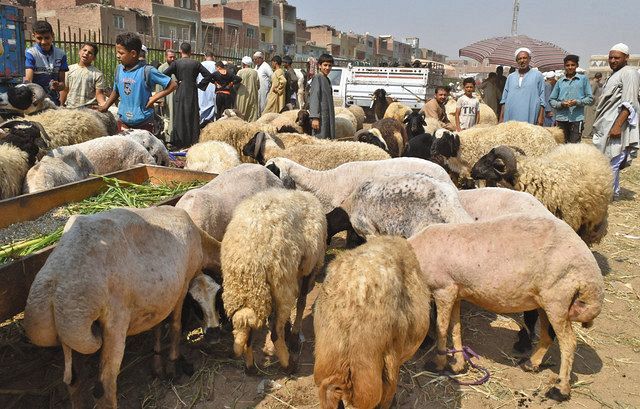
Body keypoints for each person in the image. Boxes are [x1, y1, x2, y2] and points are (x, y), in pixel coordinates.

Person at [98, 33, 177, 133]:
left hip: (144, 124)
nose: (117, 56)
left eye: (121, 53)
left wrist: (154, 98)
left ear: (133, 53)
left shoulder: (147, 71)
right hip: (123, 122)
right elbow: (116, 90)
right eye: (117, 52)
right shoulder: (119, 70)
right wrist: (105, 106)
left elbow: (173, 85)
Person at [592, 43, 639, 200]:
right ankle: (611, 191)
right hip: (606, 123)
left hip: (615, 124)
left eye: (616, 57)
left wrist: (618, 125)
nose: (612, 60)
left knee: (612, 160)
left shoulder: (629, 73)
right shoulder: (614, 74)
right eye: (610, 57)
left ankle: (610, 194)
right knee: (605, 160)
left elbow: (629, 102)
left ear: (627, 58)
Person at [163, 42, 210, 148]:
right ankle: (192, 141)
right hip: (192, 90)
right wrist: (200, 85)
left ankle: (179, 142)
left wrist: (172, 83)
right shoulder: (196, 63)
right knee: (192, 115)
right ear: (191, 52)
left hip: (181, 90)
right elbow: (208, 75)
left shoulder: (176, 63)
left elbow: (163, 74)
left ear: (180, 51)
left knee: (180, 115)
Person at [549, 55, 594, 143]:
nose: (570, 67)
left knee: (574, 145)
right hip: (561, 119)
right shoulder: (560, 81)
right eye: (567, 65)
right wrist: (561, 104)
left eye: (572, 65)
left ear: (577, 65)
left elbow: (590, 98)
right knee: (561, 145)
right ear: (564, 66)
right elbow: (552, 100)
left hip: (576, 119)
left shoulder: (583, 80)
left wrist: (577, 102)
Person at [24, 20, 68, 106]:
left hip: (53, 101)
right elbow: (28, 81)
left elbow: (63, 85)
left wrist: (57, 85)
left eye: (47, 38)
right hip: (36, 102)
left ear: (53, 36)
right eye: (39, 38)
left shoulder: (61, 54)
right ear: (34, 36)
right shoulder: (31, 53)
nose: (43, 42)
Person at [500, 48, 545, 125]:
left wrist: (541, 117)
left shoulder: (538, 75)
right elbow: (504, 99)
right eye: (519, 58)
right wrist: (501, 118)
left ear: (529, 59)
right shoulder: (511, 77)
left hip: (530, 114)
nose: (522, 60)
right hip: (511, 115)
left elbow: (542, 98)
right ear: (517, 61)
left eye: (525, 58)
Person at [59, 42, 105, 108]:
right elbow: (65, 90)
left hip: (89, 109)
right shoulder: (69, 70)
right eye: (84, 50)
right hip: (71, 108)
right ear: (79, 52)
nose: (86, 53)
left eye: (90, 53)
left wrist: (103, 105)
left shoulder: (97, 74)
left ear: (94, 58)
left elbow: (99, 94)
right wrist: (61, 105)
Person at [308, 53, 336, 139]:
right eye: (325, 65)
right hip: (320, 117)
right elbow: (314, 98)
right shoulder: (317, 78)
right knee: (320, 141)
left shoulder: (327, 79)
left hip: (327, 115)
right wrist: (315, 117)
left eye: (329, 65)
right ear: (319, 65)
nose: (327, 68)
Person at [157, 49, 177, 141]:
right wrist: (161, 99)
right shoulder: (162, 68)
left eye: (174, 57)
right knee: (168, 118)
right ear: (166, 57)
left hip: (177, 95)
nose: (172, 59)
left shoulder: (177, 66)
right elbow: (159, 85)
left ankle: (176, 137)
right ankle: (168, 139)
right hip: (167, 96)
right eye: (170, 57)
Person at [235, 56, 260, 122]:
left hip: (242, 95)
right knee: (252, 114)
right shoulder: (255, 72)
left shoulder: (240, 72)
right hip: (253, 96)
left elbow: (236, 83)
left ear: (243, 64)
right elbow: (258, 85)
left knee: (240, 113)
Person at [198, 51, 217, 127]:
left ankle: (201, 123)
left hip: (201, 89)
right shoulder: (216, 65)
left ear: (205, 56)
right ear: (213, 56)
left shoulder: (200, 64)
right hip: (213, 88)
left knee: (202, 105)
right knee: (212, 105)